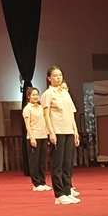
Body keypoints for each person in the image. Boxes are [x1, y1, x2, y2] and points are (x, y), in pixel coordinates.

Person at [42, 66, 81, 205]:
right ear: (49, 78)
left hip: (68, 130)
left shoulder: (65, 93)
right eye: (55, 76)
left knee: (68, 163)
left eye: (60, 75)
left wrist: (75, 131)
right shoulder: (48, 94)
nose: (58, 78)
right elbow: (46, 114)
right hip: (57, 131)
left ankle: (68, 190)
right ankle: (59, 194)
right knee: (57, 163)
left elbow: (71, 114)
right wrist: (51, 132)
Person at [22, 86, 49, 191]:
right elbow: (27, 124)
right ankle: (36, 183)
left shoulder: (41, 107)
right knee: (34, 161)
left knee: (42, 160)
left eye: (37, 94)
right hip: (34, 136)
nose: (35, 96)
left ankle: (43, 181)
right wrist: (32, 137)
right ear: (28, 96)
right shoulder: (27, 109)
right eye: (33, 95)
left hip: (43, 135)